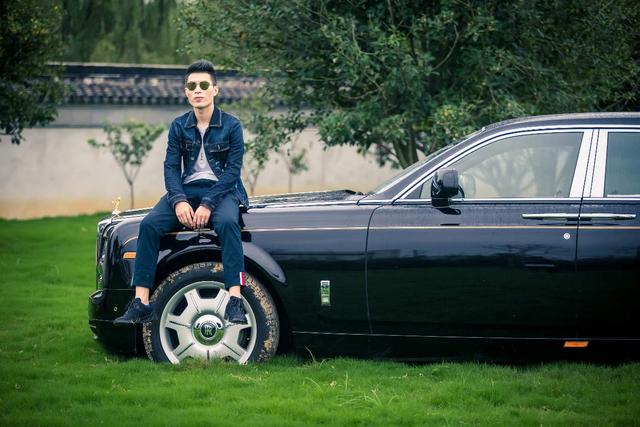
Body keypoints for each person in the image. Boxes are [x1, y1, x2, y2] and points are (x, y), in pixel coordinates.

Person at [114, 59, 250, 325]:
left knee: (227, 223)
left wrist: (208, 203)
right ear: (186, 92)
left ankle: (235, 299)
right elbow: (170, 168)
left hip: (223, 190)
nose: (198, 90)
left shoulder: (232, 125)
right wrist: (178, 201)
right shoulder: (178, 126)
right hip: (186, 189)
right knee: (149, 225)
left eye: (204, 85)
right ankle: (141, 302)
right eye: (192, 85)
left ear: (215, 90)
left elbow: (233, 171)